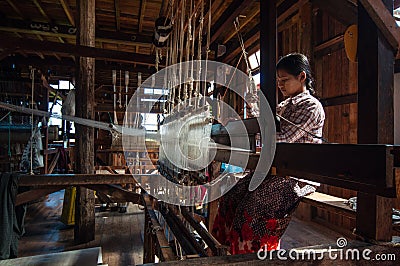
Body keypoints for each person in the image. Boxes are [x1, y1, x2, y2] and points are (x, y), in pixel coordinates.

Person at [212, 53, 325, 254]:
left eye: (285, 80)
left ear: (301, 77)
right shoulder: (283, 106)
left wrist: (250, 136)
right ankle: (225, 249)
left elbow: (284, 139)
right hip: (276, 171)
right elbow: (265, 129)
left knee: (255, 206)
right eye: (278, 80)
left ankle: (256, 255)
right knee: (231, 195)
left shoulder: (311, 107)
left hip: (297, 176)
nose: (280, 85)